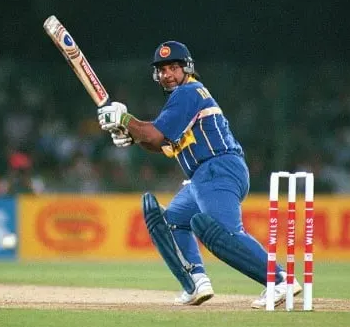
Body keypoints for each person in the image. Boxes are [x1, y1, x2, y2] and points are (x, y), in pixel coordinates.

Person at [98, 41, 300, 308]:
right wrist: (130, 135)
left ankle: (280, 280)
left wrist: (125, 121)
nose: (167, 74)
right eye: (162, 69)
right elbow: (158, 142)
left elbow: (153, 134)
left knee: (225, 233)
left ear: (187, 68)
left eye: (173, 67)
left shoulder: (188, 92)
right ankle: (196, 283)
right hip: (204, 177)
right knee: (172, 222)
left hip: (217, 169)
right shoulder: (180, 99)